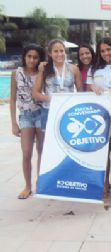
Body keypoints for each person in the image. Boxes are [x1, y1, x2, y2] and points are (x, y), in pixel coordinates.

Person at [87, 37, 111, 197]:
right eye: (102, 51)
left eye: (108, 49)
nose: (106, 53)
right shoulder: (93, 69)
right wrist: (92, 87)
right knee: (103, 150)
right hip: (99, 114)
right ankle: (105, 183)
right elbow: (88, 87)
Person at [10, 44, 45, 199]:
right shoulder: (15, 73)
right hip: (25, 116)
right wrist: (13, 123)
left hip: (41, 114)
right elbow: (12, 99)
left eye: (35, 57)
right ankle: (27, 186)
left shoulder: (42, 73)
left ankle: (40, 183)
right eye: (29, 56)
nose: (32, 60)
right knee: (26, 153)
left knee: (42, 151)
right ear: (24, 56)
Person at [33, 39, 83, 131]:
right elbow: (35, 93)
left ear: (65, 51)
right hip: (49, 110)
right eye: (55, 51)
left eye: (61, 51)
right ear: (50, 53)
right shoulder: (44, 68)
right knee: (49, 143)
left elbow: (81, 92)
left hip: (68, 111)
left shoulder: (74, 69)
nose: (59, 54)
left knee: (67, 141)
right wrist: (52, 99)